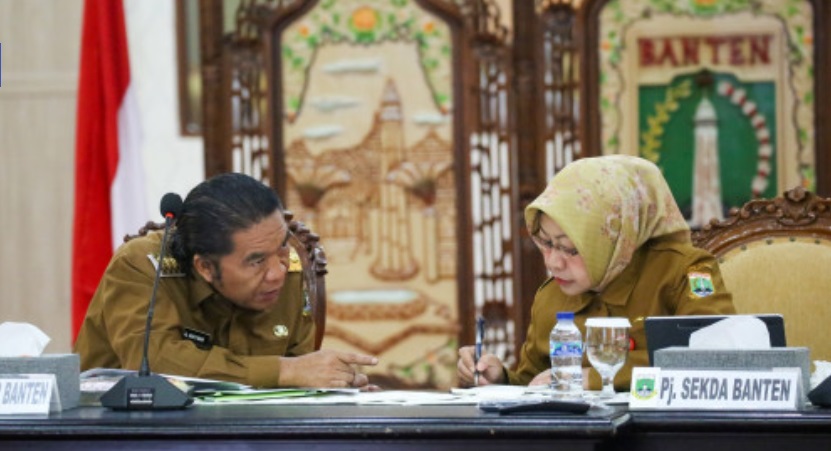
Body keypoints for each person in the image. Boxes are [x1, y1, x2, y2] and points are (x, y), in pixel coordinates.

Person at [457, 155, 736, 391]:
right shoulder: (551, 297)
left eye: (570, 249)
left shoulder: (683, 273)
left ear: (616, 239)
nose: (553, 263)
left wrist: (597, 377)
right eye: (545, 242)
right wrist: (498, 378)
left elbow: (717, 357)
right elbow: (535, 384)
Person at [75, 173, 378, 389]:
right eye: (256, 261)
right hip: (126, 435)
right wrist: (283, 371)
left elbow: (300, 374)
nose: (277, 272)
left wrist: (333, 390)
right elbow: (155, 364)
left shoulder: (288, 271)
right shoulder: (143, 267)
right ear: (205, 267)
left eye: (282, 247)